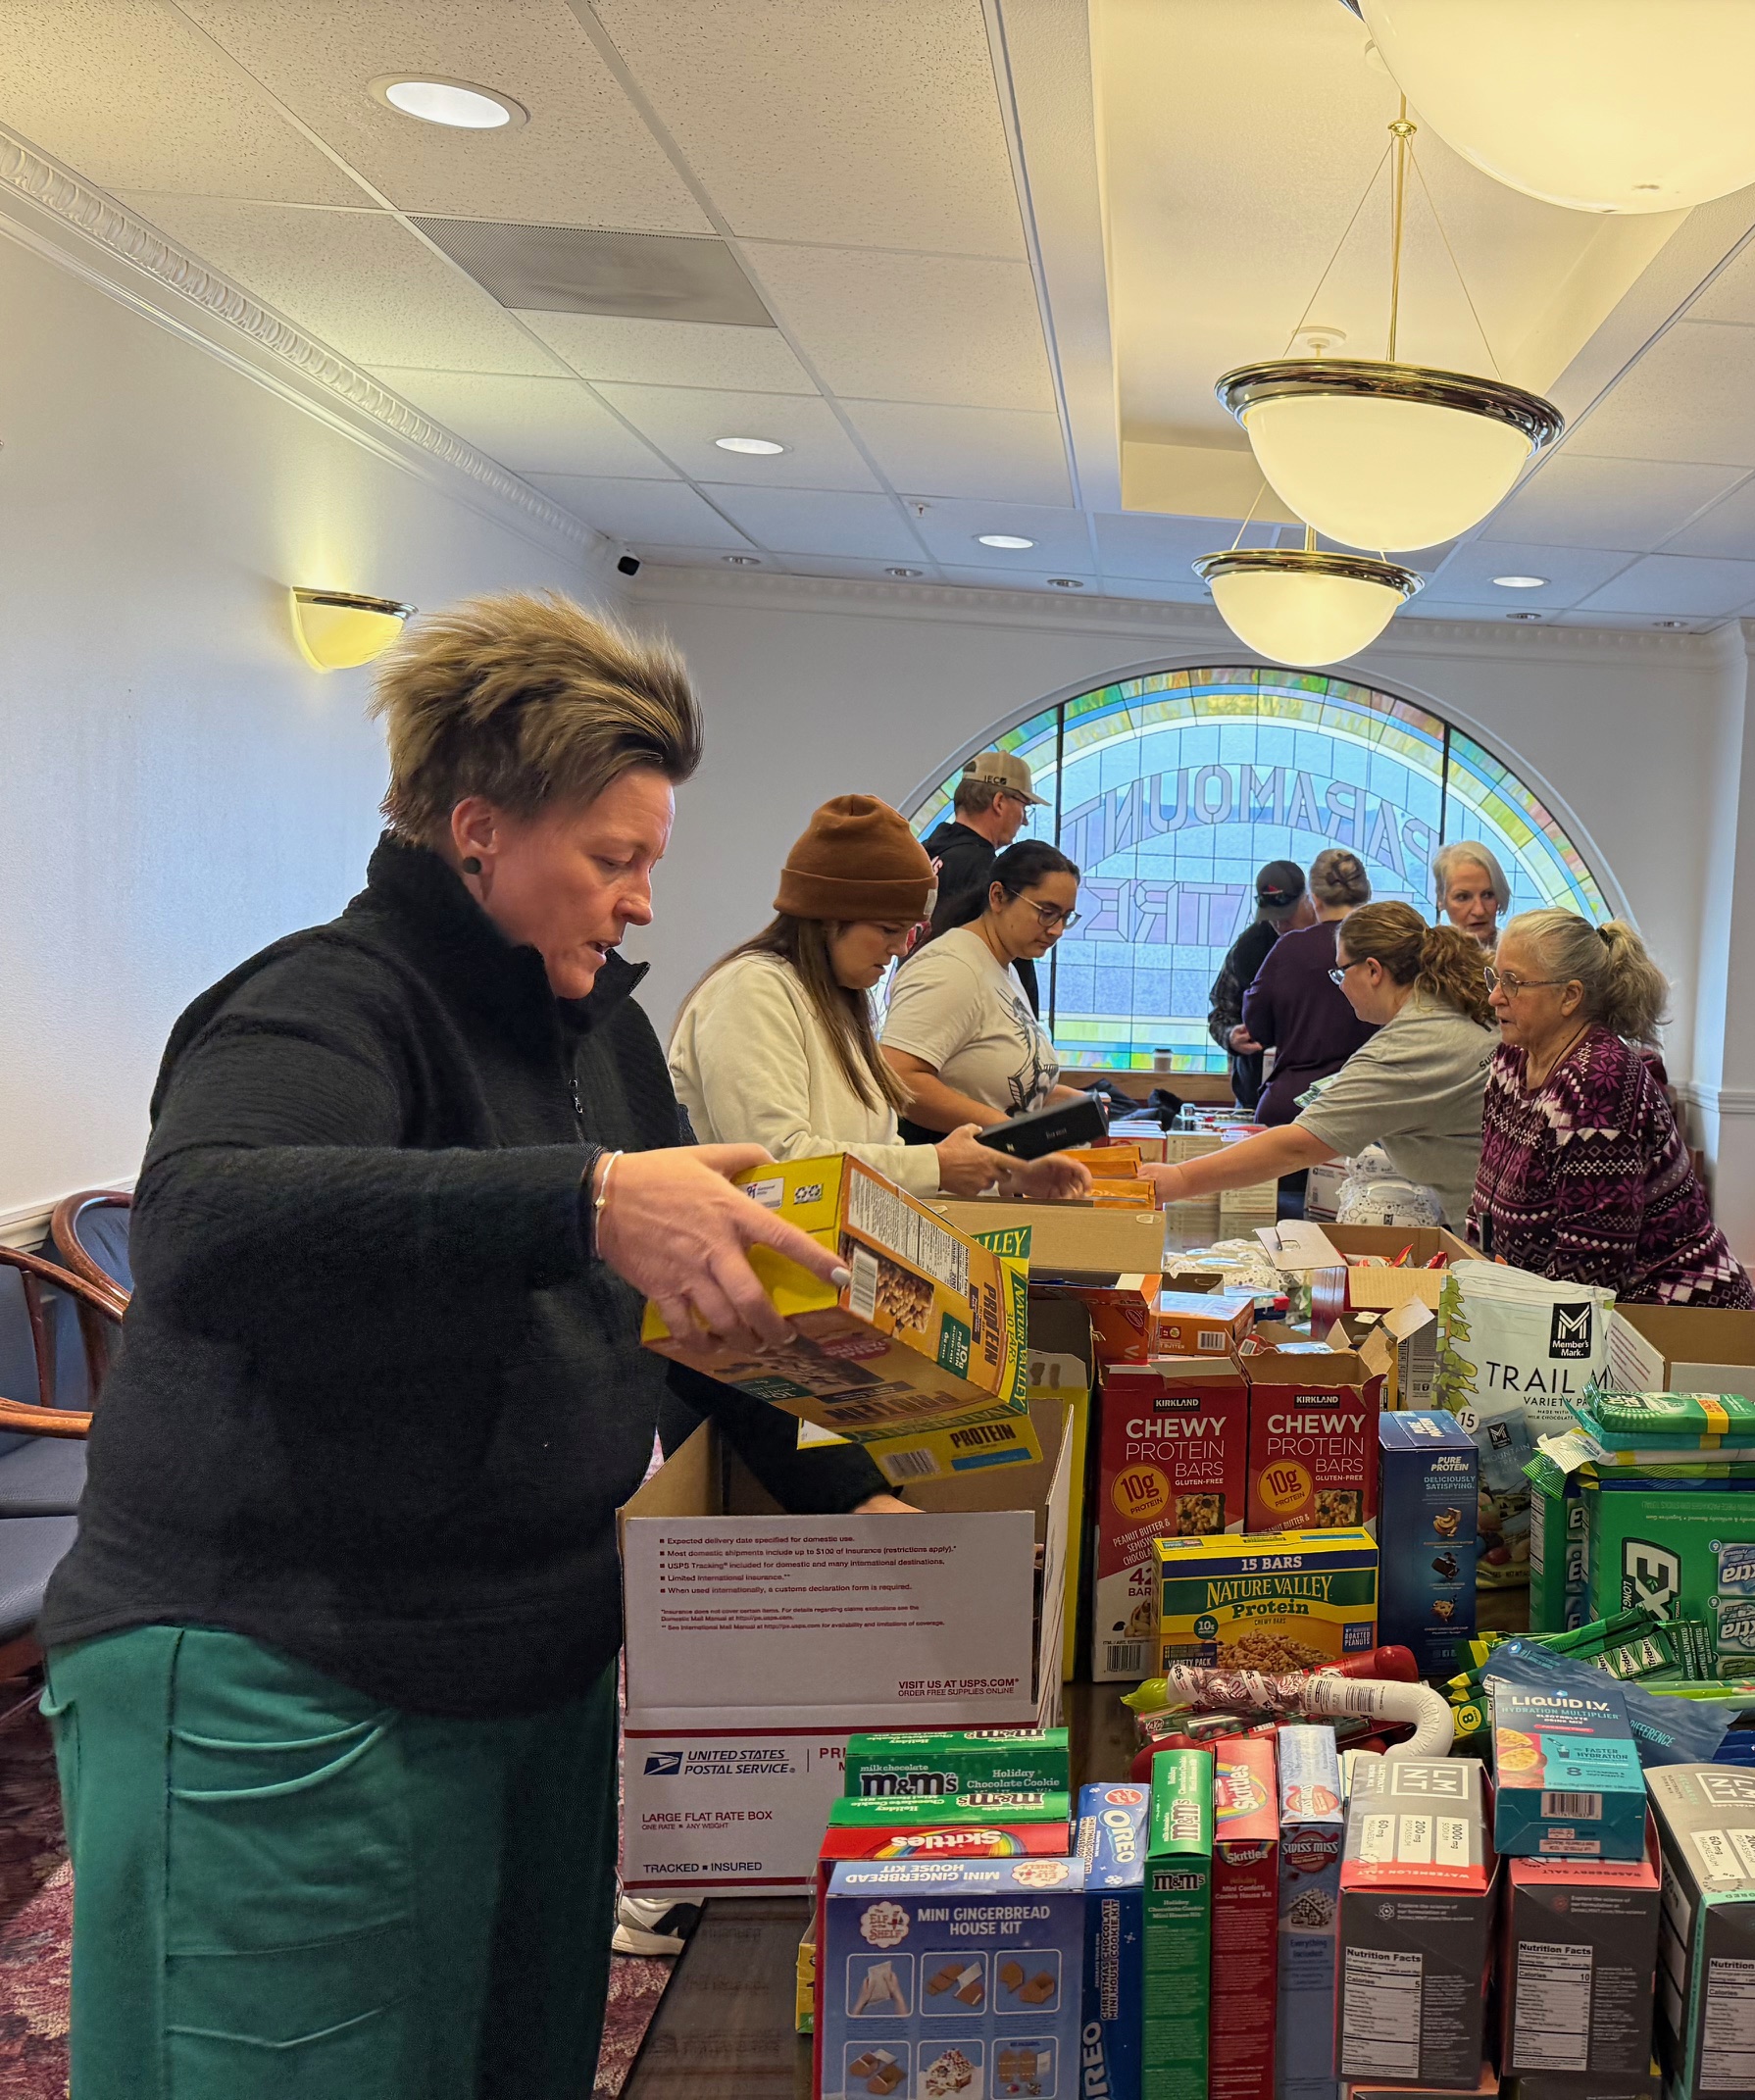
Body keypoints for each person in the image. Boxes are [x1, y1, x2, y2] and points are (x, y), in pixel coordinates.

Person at [38, 593, 899, 2097]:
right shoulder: (326, 998)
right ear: (477, 830)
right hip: (288, 1662)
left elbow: (693, 1306)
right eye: (613, 860)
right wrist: (587, 1198)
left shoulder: (602, 1035)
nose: (642, 903)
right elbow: (207, 1224)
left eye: (651, 862)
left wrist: (849, 1491)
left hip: (531, 1655)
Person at [669, 794, 1091, 1206]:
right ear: (828, 916)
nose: (901, 948)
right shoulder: (751, 991)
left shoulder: (841, 1002)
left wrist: (1002, 1171)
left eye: (910, 931)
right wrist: (937, 1165)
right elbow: (776, 1167)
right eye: (889, 929)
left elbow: (881, 1152)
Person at [1466, 909, 1755, 1306]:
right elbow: (1484, 1202)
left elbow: (1591, 1270)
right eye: (1495, 978)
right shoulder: (1511, 1060)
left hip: (1673, 1314)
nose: (1494, 996)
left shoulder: (1600, 1081)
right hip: (1563, 1308)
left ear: (1570, 996)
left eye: (1513, 982)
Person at [1141, 903, 1498, 1224]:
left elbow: (1298, 1145)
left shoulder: (1405, 1048)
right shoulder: (1459, 1002)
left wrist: (1180, 1179)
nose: (1340, 986)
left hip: (1490, 1227)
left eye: (1340, 972)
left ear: (1373, 971)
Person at [880, 837, 1087, 1135]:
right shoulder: (951, 967)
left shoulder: (1004, 968)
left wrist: (1075, 1104)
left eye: (1065, 917)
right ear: (998, 896)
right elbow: (899, 1076)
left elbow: (996, 1086)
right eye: (1047, 912)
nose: (1056, 930)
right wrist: (1012, 1131)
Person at [1241, 847, 1377, 1125]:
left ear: (1313, 898)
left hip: (1292, 1106)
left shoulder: (1290, 949)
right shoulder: (1388, 948)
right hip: (1369, 1104)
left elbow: (1257, 1026)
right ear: (1366, 894)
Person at [922, 749, 1049, 1012]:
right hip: (966, 1011)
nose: (1025, 821)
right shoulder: (987, 870)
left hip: (924, 997)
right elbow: (1009, 949)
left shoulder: (924, 856)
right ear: (999, 802)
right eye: (1024, 806)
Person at [1209, 859, 1312, 1104]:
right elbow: (1220, 1012)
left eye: (1286, 915)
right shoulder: (1248, 947)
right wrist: (1231, 1036)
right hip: (1254, 1096)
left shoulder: (1335, 943)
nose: (1279, 924)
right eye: (1272, 916)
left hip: (1317, 1096)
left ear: (1308, 900)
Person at [1432, 839, 1508, 949]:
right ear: (1440, 899)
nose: (1479, 911)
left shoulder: (1522, 955)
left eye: (1488, 895)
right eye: (1463, 897)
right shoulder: (1425, 957)